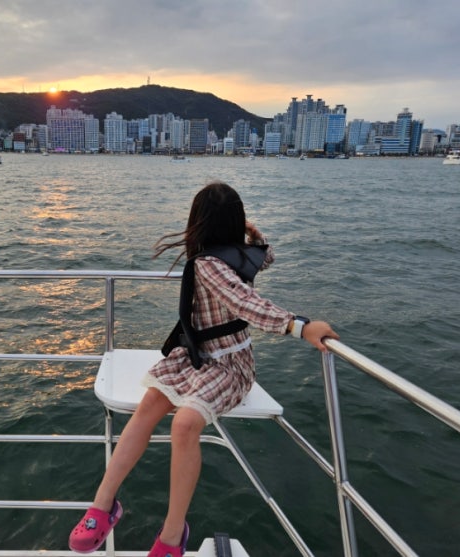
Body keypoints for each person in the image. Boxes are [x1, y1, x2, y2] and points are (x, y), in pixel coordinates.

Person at [69, 181, 339, 556]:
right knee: (149, 405)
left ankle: (172, 535)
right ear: (234, 223)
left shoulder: (211, 264)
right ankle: (103, 504)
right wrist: (255, 236)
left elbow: (245, 302)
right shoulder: (224, 258)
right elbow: (265, 259)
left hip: (230, 366)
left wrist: (299, 326)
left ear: (199, 221)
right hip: (195, 357)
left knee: (184, 424)